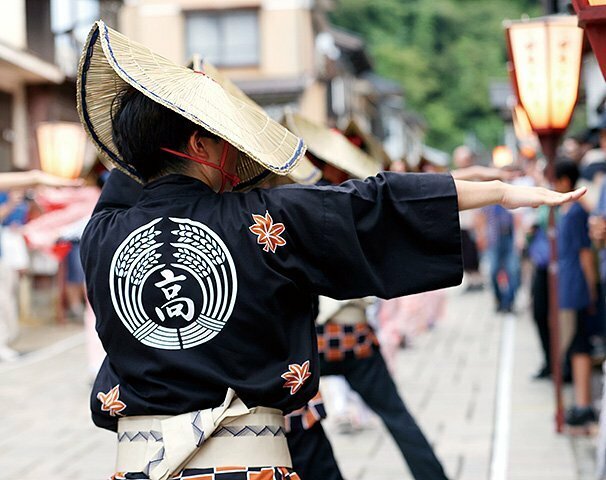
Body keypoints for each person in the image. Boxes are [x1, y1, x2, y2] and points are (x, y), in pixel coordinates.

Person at [77, 21, 585, 480]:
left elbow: (130, 181)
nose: (232, 149)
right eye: (221, 137)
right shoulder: (267, 215)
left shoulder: (100, 237)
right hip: (251, 468)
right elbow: (373, 203)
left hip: (139, 471)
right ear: (200, 147)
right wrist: (496, 192)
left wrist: (150, 124)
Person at [555, 161, 599, 428]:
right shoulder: (568, 210)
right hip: (569, 282)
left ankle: (583, 403)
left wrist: (592, 288)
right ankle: (580, 402)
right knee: (574, 343)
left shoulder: (577, 212)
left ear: (564, 181)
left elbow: (585, 255)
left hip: (576, 284)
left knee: (578, 341)